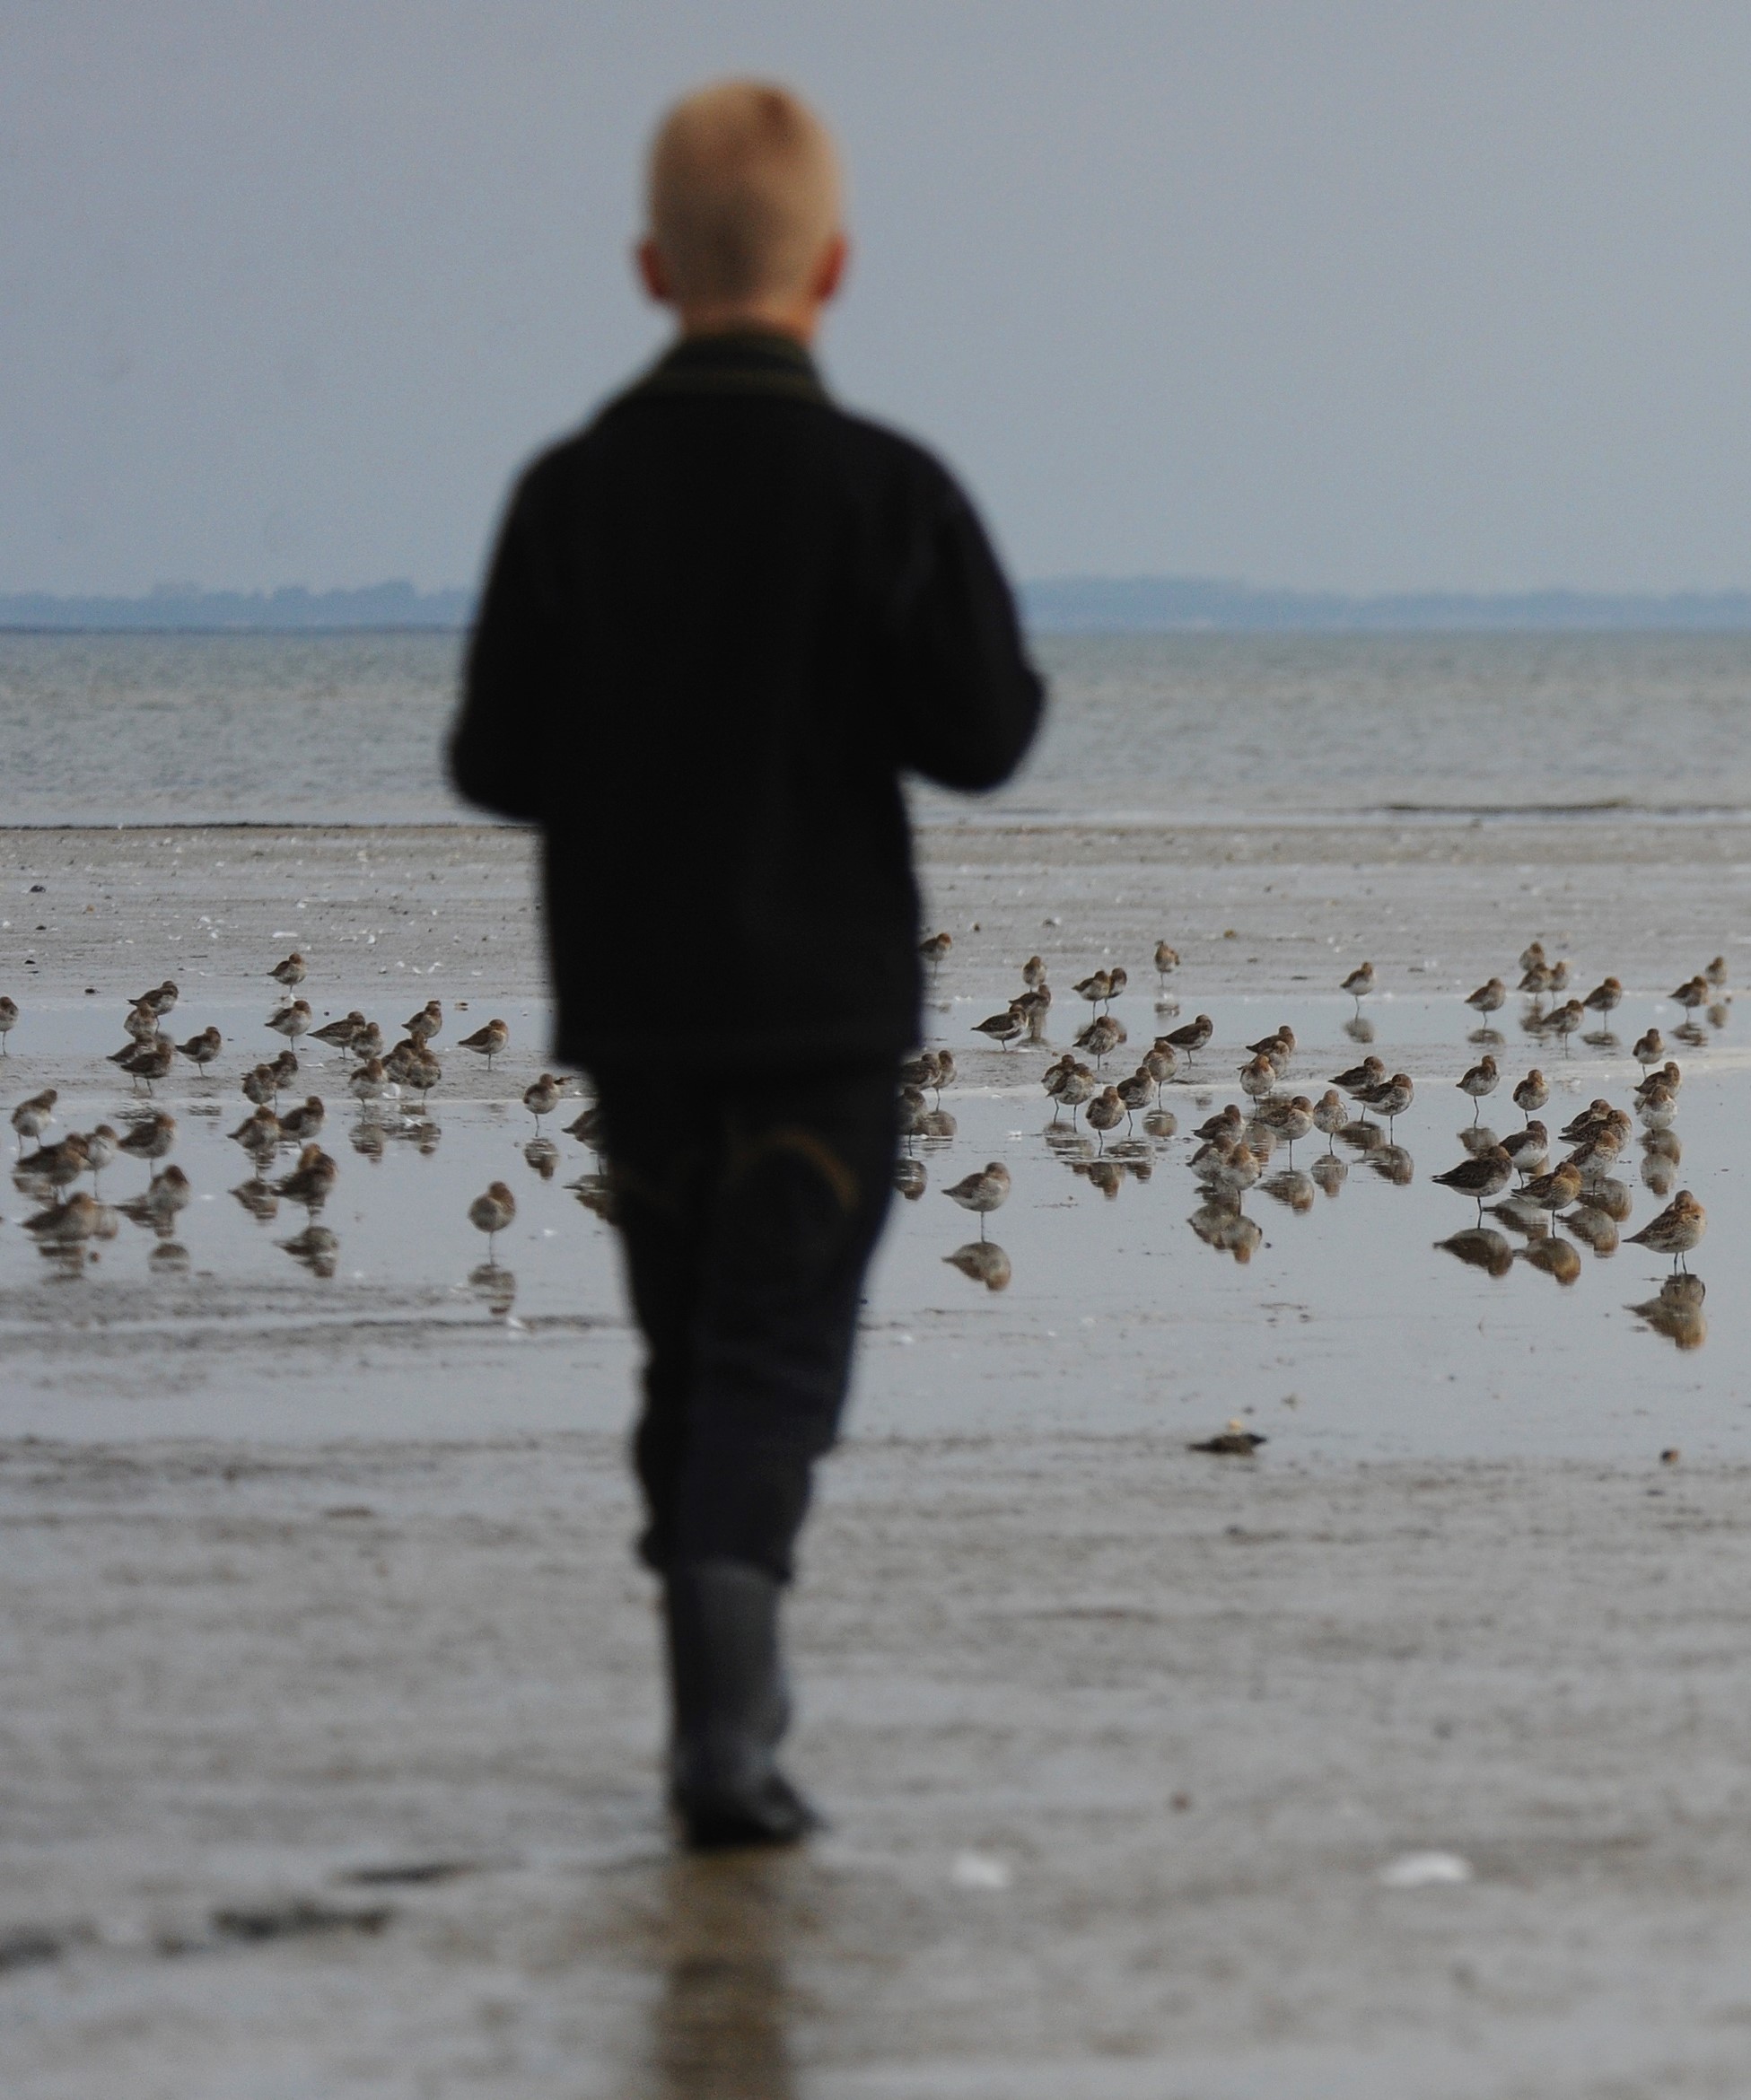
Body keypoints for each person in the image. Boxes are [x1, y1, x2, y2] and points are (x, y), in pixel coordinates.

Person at [449, 79, 1045, 1847]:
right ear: (834, 268)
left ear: (649, 266)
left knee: (684, 1351)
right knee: (774, 1361)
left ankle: (716, 1703)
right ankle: (728, 1732)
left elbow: (491, 759)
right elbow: (986, 733)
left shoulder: (569, 491)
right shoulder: (888, 489)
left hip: (640, 1013)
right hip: (821, 1021)